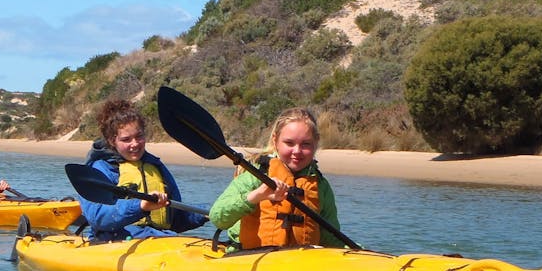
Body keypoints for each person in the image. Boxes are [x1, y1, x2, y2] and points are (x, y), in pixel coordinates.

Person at [209, 107, 345, 249]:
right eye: (289, 143)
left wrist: (360, 254)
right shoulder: (255, 175)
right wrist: (257, 195)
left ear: (315, 143)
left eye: (306, 144)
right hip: (249, 258)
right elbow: (218, 219)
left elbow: (331, 239)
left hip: (299, 263)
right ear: (275, 141)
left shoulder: (320, 185)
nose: (297, 151)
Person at [78, 99, 207, 242]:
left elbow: (176, 218)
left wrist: (209, 212)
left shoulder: (155, 166)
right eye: (126, 139)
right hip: (115, 242)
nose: (135, 144)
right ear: (111, 141)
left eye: (139, 136)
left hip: (158, 239)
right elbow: (98, 217)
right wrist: (140, 206)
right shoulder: (101, 169)